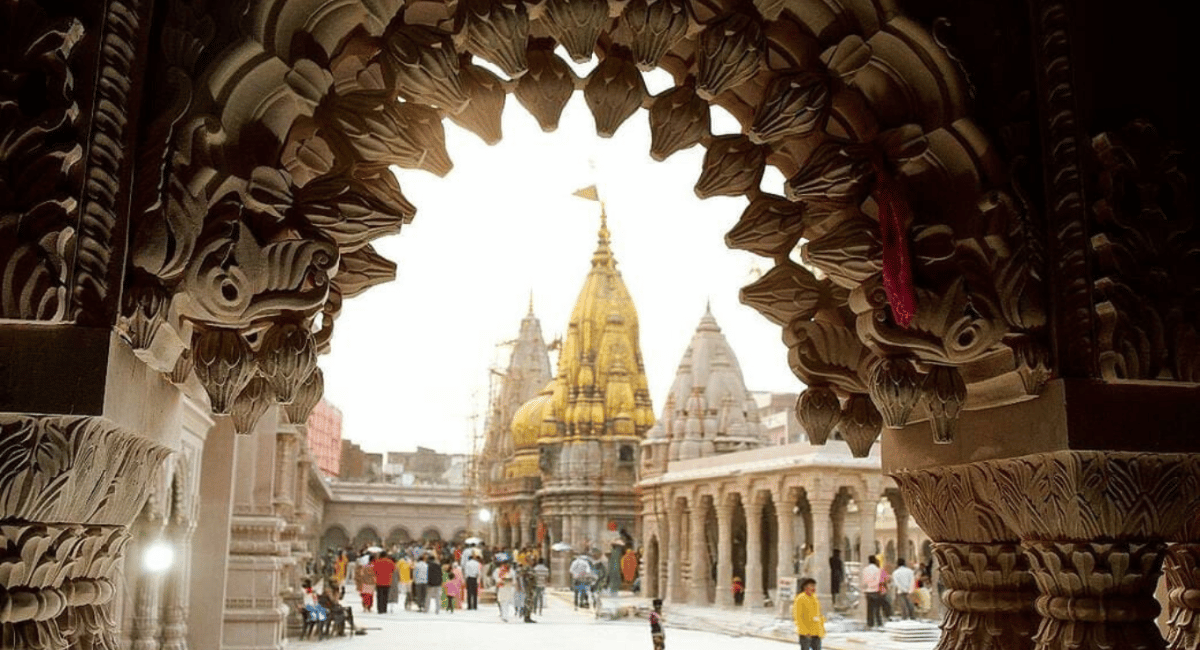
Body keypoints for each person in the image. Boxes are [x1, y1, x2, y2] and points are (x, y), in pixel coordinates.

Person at [792, 578, 825, 650]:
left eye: (814, 586)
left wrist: (821, 629)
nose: (814, 588)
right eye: (812, 586)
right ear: (805, 587)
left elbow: (819, 614)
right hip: (806, 632)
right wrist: (804, 631)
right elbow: (798, 616)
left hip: (816, 631)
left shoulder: (814, 598)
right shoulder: (800, 598)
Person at [861, 555, 883, 628]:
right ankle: (879, 623)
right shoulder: (877, 570)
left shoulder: (865, 569)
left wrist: (865, 587)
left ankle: (870, 623)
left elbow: (864, 580)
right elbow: (879, 580)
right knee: (877, 609)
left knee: (869, 609)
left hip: (868, 590)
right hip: (876, 590)